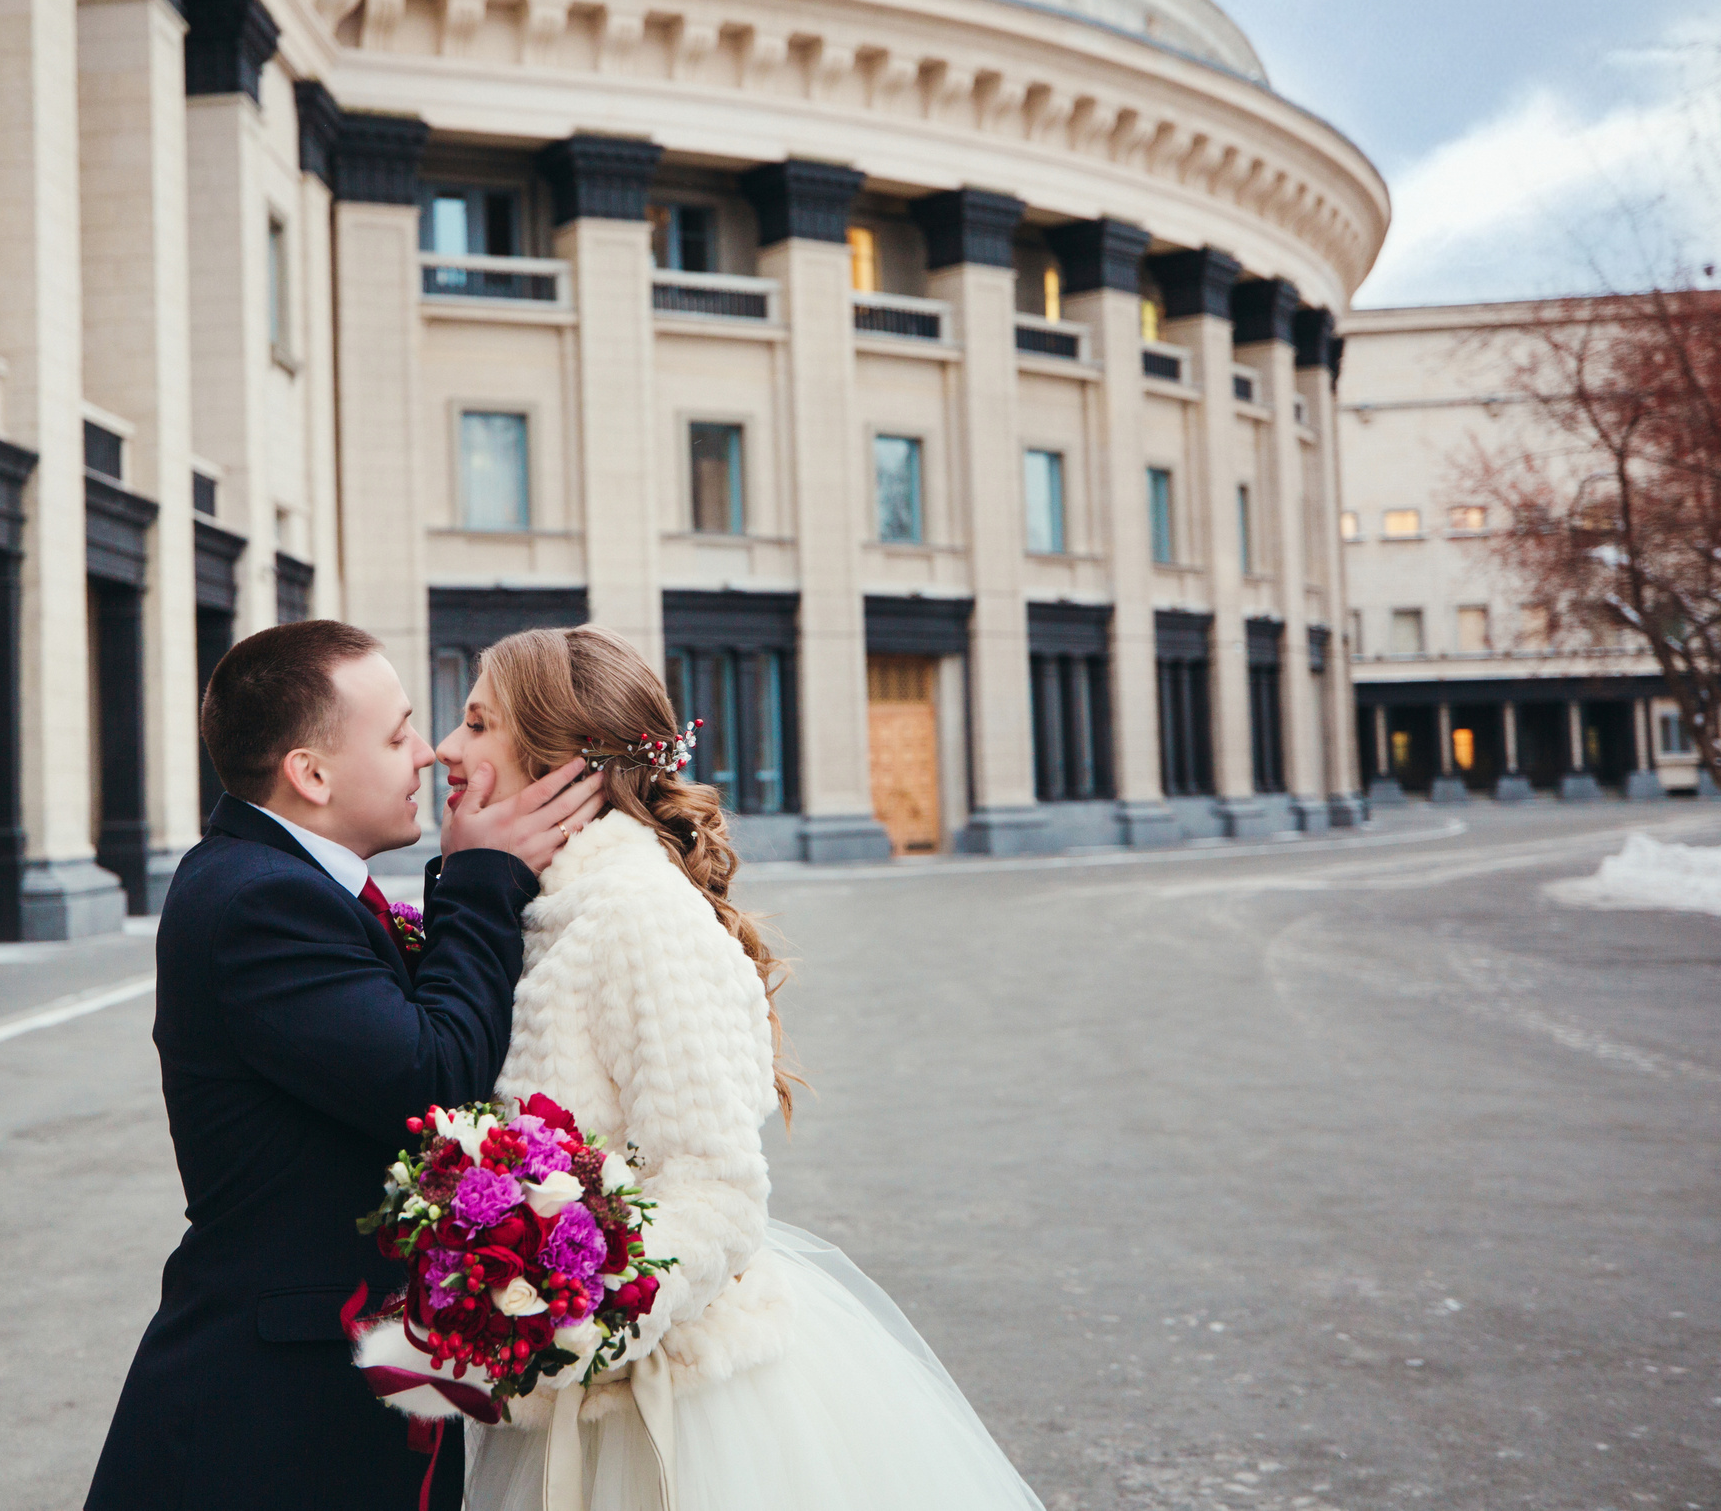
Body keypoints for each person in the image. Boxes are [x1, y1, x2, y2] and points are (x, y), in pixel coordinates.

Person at [432, 625, 1049, 1511]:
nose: (446, 750)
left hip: (666, 1406)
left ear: (566, 762)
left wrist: (575, 1319)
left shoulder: (641, 914)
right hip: (555, 1403)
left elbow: (716, 1189)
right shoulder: (543, 905)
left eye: (477, 723)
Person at [82, 620, 603, 1511]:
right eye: (398, 732)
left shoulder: (290, 883)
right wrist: (478, 874)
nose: (430, 753)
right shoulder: (256, 899)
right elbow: (433, 1080)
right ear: (311, 774)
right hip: (271, 1421)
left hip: (347, 1380)